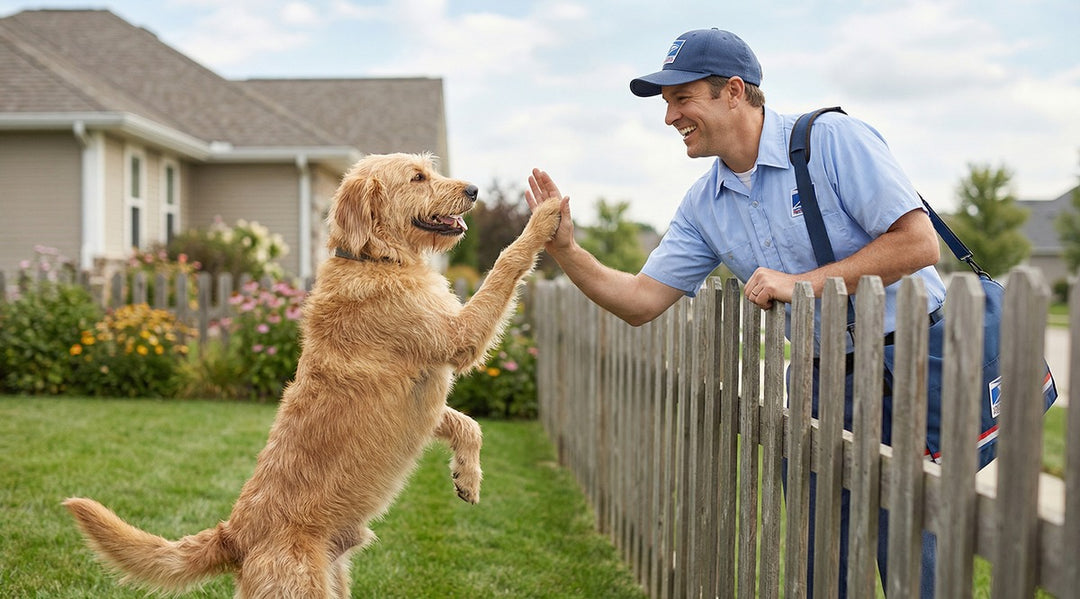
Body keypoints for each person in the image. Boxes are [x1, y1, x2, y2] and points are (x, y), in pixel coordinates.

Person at [525, 28, 948, 598]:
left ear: (732, 90)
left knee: (909, 554)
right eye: (667, 103)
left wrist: (799, 285)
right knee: (826, 557)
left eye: (681, 98)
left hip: (907, 362)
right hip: (820, 380)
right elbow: (641, 301)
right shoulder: (705, 203)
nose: (670, 117)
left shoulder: (832, 140)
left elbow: (918, 244)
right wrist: (566, 251)